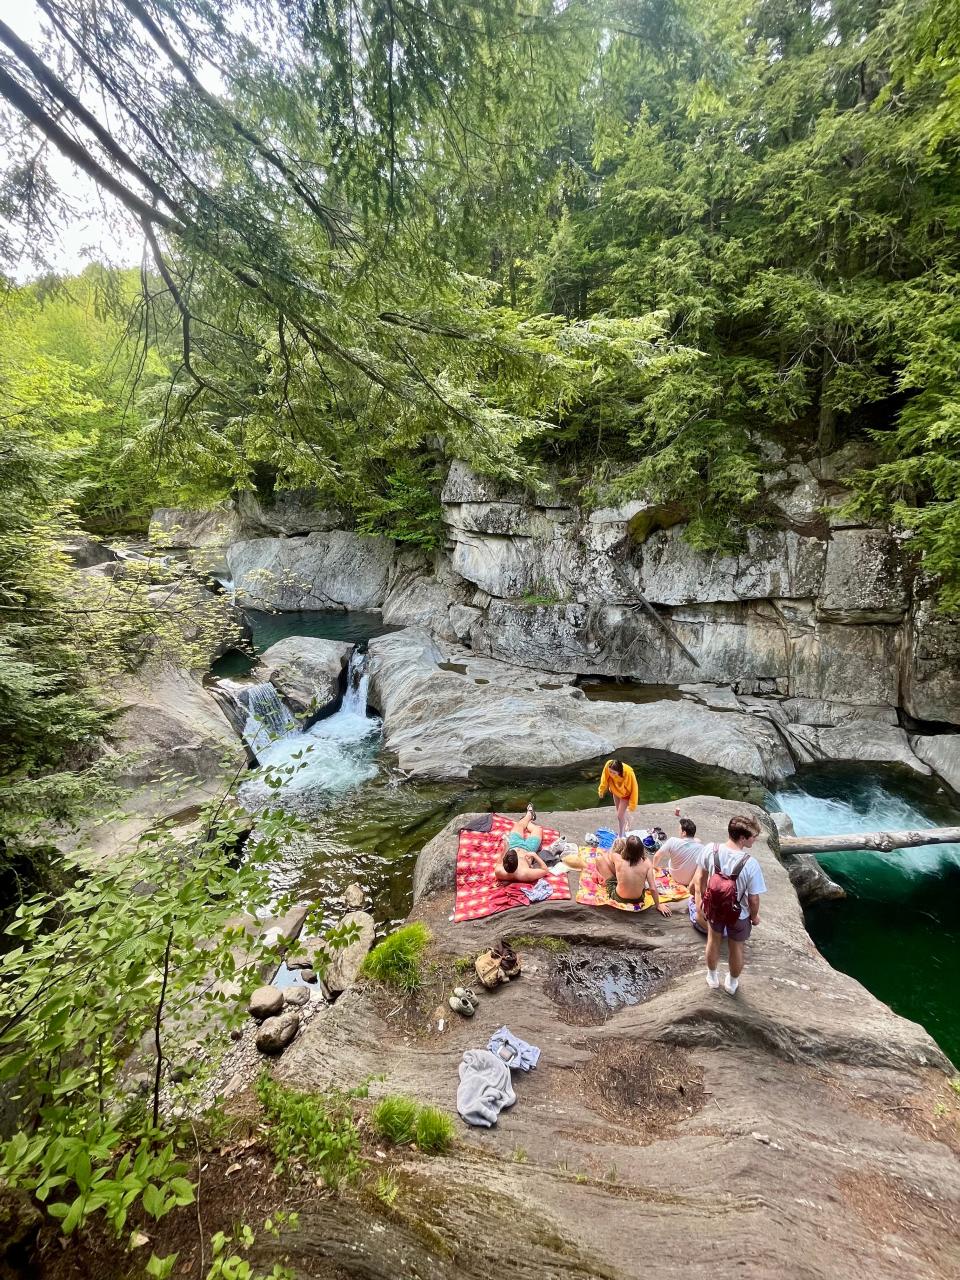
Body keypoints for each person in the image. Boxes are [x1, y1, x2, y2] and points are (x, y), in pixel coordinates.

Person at [691, 814, 766, 996]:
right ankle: (732, 983)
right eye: (753, 836)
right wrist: (754, 917)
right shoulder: (751, 864)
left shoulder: (710, 849)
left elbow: (700, 878)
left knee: (713, 940)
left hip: (714, 908)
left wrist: (701, 902)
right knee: (736, 947)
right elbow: (753, 899)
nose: (754, 839)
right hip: (739, 914)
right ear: (742, 837)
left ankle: (712, 977)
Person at [595, 835, 671, 917]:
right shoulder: (647, 863)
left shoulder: (618, 858)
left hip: (618, 897)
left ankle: (616, 880)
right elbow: (652, 888)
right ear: (642, 849)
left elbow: (607, 856)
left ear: (626, 849)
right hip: (638, 899)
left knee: (599, 859)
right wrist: (658, 905)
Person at [654, 816, 707, 929]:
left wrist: (654, 868)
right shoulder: (702, 848)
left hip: (674, 875)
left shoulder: (673, 841)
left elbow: (657, 855)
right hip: (689, 880)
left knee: (671, 860)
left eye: (679, 829)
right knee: (698, 848)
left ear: (683, 832)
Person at [495, 807, 551, 884]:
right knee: (537, 829)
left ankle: (529, 815)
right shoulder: (525, 873)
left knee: (519, 825)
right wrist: (534, 855)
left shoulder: (499, 872)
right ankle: (528, 821)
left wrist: (506, 848)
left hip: (513, 844)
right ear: (517, 862)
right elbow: (545, 870)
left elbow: (498, 863)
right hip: (528, 848)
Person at [597, 758, 639, 836]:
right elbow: (604, 778)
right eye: (610, 772)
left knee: (619, 816)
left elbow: (634, 788)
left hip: (625, 794)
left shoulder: (629, 773)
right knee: (619, 811)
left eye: (614, 773)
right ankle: (630, 819)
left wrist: (632, 805)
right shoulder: (608, 764)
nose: (611, 774)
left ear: (619, 772)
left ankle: (621, 834)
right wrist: (601, 790)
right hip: (615, 790)